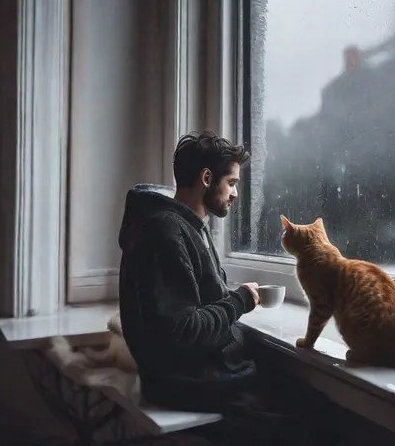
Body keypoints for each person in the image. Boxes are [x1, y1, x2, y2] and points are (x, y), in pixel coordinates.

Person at [117, 131, 328, 445]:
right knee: (314, 421)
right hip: (188, 383)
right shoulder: (166, 232)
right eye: (231, 183)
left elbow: (194, 304)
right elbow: (181, 332)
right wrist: (239, 300)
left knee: (305, 398)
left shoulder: (186, 226)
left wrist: (233, 299)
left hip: (200, 373)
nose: (235, 194)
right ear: (206, 178)